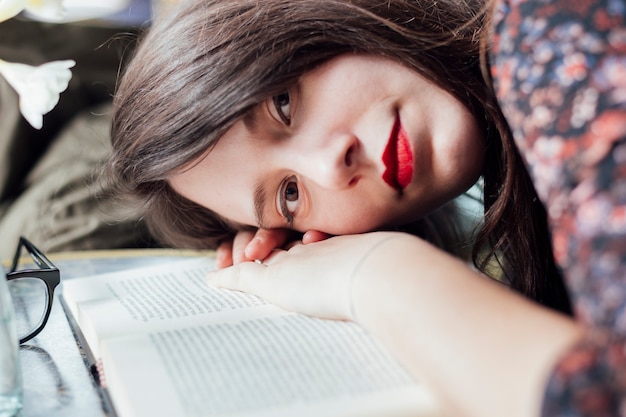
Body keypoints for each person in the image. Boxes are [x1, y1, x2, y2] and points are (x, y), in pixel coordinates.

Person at [105, 0, 626, 415]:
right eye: (290, 194)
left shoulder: (543, 27)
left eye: (283, 104)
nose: (331, 168)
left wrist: (377, 275)